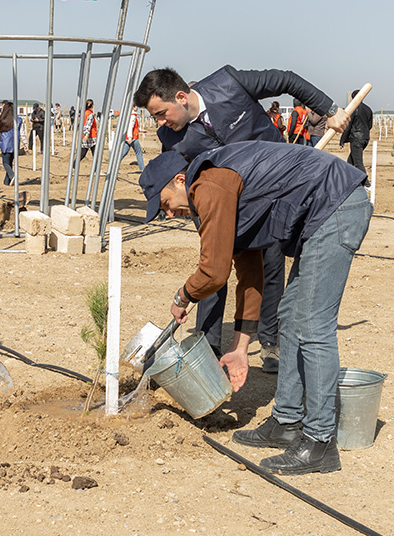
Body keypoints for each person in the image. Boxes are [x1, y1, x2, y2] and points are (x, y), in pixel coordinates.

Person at [139, 140, 370, 475]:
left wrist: (183, 296)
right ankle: (286, 422)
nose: (170, 213)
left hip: (336, 205)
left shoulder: (209, 185)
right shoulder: (218, 192)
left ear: (179, 180)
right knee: (289, 317)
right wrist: (240, 347)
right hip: (324, 212)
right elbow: (249, 272)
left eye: (166, 204)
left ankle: (320, 442)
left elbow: (213, 273)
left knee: (312, 324)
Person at [134, 66, 347, 370]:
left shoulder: (229, 83)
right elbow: (180, 179)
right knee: (212, 268)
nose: (160, 122)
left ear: (180, 97)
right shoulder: (170, 136)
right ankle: (207, 345)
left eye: (160, 113)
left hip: (274, 195)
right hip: (218, 204)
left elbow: (286, 79)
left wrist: (330, 110)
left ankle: (270, 342)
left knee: (270, 267)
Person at [340, 89, 373, 185]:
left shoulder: (353, 109)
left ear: (353, 98)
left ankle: (366, 184)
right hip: (365, 138)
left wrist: (342, 140)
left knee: (358, 162)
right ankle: (346, 180)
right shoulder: (368, 109)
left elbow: (348, 126)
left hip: (356, 139)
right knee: (350, 161)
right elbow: (370, 125)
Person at [0, 101, 25, 186]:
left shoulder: (2, 120)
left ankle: (12, 176)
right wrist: (25, 144)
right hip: (15, 144)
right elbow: (22, 133)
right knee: (10, 163)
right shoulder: (19, 120)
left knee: (5, 163)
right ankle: (6, 182)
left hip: (5, 143)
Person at [119, 107, 144, 172]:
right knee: (139, 153)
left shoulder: (131, 115)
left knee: (123, 153)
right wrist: (130, 137)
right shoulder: (132, 116)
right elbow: (130, 127)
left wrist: (141, 130)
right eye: (136, 106)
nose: (137, 108)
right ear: (132, 107)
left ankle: (114, 164)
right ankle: (142, 169)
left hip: (128, 138)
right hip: (133, 138)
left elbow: (134, 127)